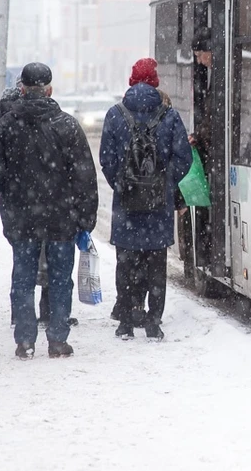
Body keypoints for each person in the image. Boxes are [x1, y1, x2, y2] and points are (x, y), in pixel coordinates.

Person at [0, 62, 99, 360]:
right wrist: (85, 216)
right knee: (61, 278)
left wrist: (11, 190)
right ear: (49, 89)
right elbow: (85, 175)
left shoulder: (7, 124)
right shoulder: (67, 125)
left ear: (21, 88)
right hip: (61, 218)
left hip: (22, 218)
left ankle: (25, 339)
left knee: (23, 277)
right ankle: (58, 339)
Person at [100, 58, 192, 341]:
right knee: (156, 265)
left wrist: (123, 183)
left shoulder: (115, 114)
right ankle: (153, 322)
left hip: (126, 207)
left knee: (126, 264)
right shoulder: (169, 116)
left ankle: (126, 322)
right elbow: (184, 158)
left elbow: (106, 159)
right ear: (155, 82)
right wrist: (164, 183)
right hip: (158, 208)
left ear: (131, 81)